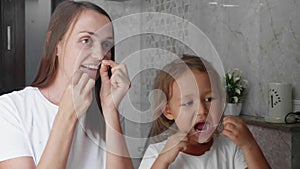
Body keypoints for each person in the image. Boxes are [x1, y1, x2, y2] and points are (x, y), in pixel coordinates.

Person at [0, 1, 133, 169]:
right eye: (86, 40)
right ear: (55, 44)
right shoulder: (10, 110)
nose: (100, 55)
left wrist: (111, 110)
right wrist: (67, 114)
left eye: (106, 44)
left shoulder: (106, 114)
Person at [139, 54, 270, 169]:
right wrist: (163, 160)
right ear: (169, 111)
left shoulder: (231, 149)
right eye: (188, 103)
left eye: (209, 99)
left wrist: (249, 146)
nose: (202, 111)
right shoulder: (156, 153)